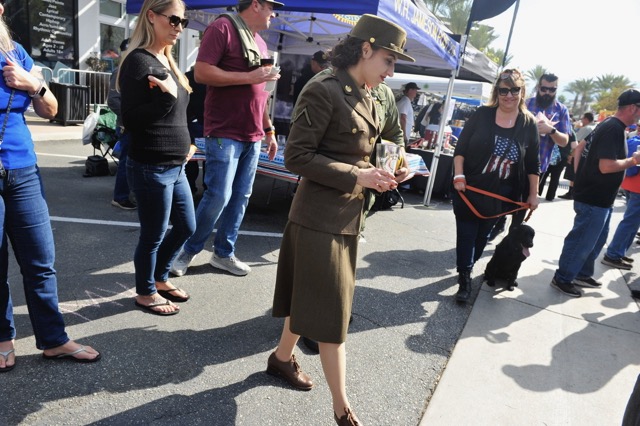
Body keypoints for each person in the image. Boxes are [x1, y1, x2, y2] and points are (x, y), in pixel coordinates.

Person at [267, 14, 414, 425]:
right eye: (388, 60)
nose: (391, 71)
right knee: (332, 315)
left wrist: (396, 164)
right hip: (318, 218)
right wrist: (359, 175)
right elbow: (297, 157)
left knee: (311, 298)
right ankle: (342, 410)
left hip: (350, 215)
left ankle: (281, 359)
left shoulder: (375, 93)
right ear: (364, 49)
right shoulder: (323, 89)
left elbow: (390, 136)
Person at [0, 3, 100, 372]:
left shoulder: (17, 53)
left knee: (41, 260)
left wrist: (35, 84)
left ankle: (54, 340)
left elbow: (52, 109)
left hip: (22, 170)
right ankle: (2, 339)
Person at [170, 0, 281, 278]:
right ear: (255, 4)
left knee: (241, 196)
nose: (274, 13)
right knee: (218, 195)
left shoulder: (260, 43)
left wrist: (269, 130)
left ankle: (223, 253)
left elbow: (261, 94)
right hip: (225, 130)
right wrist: (249, 76)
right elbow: (202, 73)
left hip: (253, 133)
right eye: (271, 6)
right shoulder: (223, 27)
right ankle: (186, 251)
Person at [118, 0, 196, 315]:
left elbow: (178, 112)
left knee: (187, 226)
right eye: (173, 20)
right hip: (151, 165)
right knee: (152, 235)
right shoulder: (138, 61)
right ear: (152, 16)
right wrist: (167, 100)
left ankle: (160, 277)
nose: (178, 27)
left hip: (176, 165)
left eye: (183, 22)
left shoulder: (167, 61)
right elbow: (131, 119)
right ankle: (146, 292)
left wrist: (188, 144)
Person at [451, 69, 540, 304]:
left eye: (515, 90)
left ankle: (467, 267)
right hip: (470, 187)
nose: (509, 95)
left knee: (482, 237)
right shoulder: (482, 115)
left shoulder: (528, 124)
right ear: (497, 92)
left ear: (522, 92)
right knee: (467, 235)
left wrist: (533, 194)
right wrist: (458, 176)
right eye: (504, 90)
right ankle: (465, 278)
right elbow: (460, 150)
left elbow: (533, 164)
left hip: (501, 195)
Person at [550, 89, 640, 297]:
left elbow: (580, 148)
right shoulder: (613, 129)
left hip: (599, 197)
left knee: (595, 239)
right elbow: (606, 166)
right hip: (594, 198)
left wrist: (580, 178)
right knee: (582, 239)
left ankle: (581, 273)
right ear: (633, 108)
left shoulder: (610, 125)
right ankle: (563, 277)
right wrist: (633, 160)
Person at [600, 133, 640, 270]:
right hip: (637, 188)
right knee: (630, 222)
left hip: (629, 184)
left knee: (632, 223)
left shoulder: (633, 140)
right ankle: (613, 254)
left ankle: (619, 252)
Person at [107, 38, 137, 210]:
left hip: (134, 124)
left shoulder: (133, 70)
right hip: (127, 125)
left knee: (132, 161)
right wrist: (130, 118)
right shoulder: (119, 72)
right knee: (126, 161)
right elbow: (112, 100)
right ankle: (120, 197)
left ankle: (128, 194)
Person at [525, 73, 572, 173]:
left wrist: (551, 130)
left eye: (552, 90)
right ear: (538, 87)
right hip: (518, 162)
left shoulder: (561, 110)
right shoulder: (527, 104)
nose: (547, 92)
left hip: (540, 166)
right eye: (544, 89)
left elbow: (564, 142)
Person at [559, 112, 596, 200]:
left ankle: (571, 192)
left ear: (586, 119)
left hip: (578, 155)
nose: (581, 120)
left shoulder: (586, 128)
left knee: (573, 175)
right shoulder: (594, 128)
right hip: (589, 156)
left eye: (582, 118)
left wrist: (571, 155)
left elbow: (577, 143)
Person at [184, 67, 206, 195]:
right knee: (206, 159)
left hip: (193, 122)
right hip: (200, 123)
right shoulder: (215, 77)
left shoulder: (188, 76)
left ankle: (190, 188)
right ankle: (202, 188)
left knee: (191, 159)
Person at [538, 129, 574, 201]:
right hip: (562, 158)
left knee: (543, 174)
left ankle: (538, 193)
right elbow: (575, 146)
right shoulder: (570, 132)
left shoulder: (552, 128)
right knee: (555, 177)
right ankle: (550, 196)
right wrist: (570, 155)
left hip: (549, 155)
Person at [396, 81, 419, 145]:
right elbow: (403, 118)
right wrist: (404, 135)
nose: (416, 92)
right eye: (415, 90)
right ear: (410, 90)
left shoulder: (405, 101)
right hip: (400, 135)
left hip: (399, 134)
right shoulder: (405, 101)